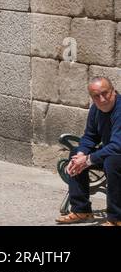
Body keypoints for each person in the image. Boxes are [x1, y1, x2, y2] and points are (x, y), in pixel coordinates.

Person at [57, 76, 121, 225]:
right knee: (75, 155)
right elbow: (90, 136)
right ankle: (81, 210)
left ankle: (116, 218)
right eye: (96, 96)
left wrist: (87, 160)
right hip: (111, 152)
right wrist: (81, 155)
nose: (102, 99)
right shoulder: (96, 108)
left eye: (105, 93)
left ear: (113, 91)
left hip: (117, 153)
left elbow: (118, 145)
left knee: (112, 162)